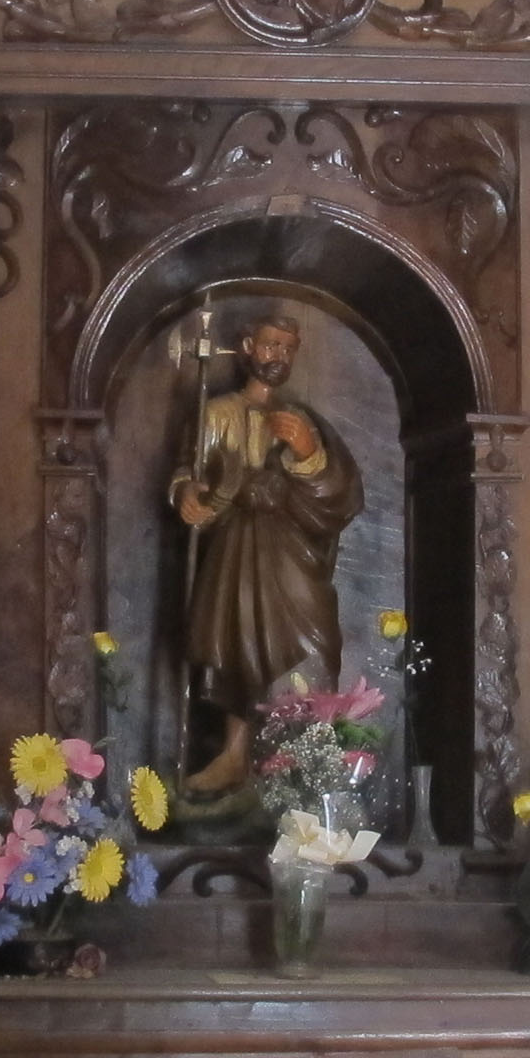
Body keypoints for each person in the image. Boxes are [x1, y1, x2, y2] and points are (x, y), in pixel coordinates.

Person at [173, 313, 363, 791]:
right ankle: (235, 755)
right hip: (239, 548)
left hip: (295, 552)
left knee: (313, 642)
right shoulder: (217, 413)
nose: (278, 355)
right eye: (270, 344)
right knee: (240, 642)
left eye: (287, 348)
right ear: (247, 347)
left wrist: (306, 452)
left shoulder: (303, 420)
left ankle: (297, 762)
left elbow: (339, 493)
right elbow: (189, 475)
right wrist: (187, 494)